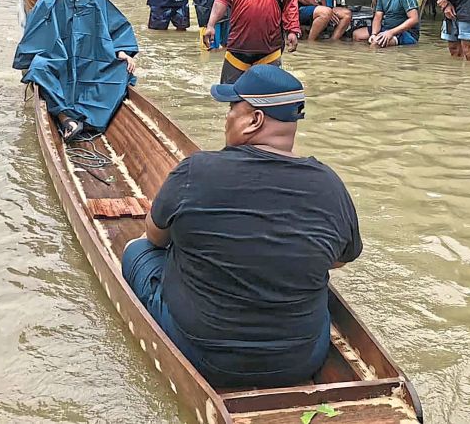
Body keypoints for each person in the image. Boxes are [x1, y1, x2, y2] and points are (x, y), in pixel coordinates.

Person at [121, 65, 361, 389]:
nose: (226, 118)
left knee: (136, 249)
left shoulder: (197, 169)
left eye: (232, 109)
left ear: (254, 120)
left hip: (206, 357)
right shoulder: (331, 185)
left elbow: (154, 236)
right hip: (302, 358)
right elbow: (340, 258)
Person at [13, 0, 137, 142]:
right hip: (58, 63)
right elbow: (33, 35)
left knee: (122, 70)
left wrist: (122, 51)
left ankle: (87, 120)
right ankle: (66, 117)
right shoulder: (48, 2)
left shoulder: (99, 2)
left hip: (92, 64)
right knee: (38, 67)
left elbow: (118, 29)